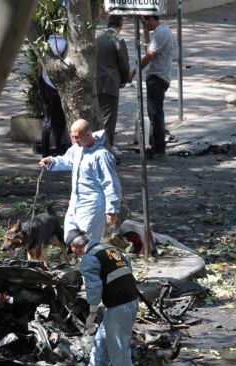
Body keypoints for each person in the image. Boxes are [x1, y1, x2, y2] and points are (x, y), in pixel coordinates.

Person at [66, 229, 140, 366]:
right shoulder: (109, 248)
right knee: (101, 345)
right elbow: (128, 268)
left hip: (118, 306)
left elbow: (94, 288)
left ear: (76, 247)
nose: (74, 254)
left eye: (73, 251)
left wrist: (92, 312)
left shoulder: (89, 258)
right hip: (129, 300)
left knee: (119, 350)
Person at [39, 119, 122, 242]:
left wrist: (112, 209)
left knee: (86, 243)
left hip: (92, 207)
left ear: (88, 134)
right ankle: (75, 260)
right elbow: (67, 160)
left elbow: (111, 184)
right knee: (69, 239)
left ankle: (89, 261)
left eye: (77, 138)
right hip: (74, 204)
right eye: (73, 137)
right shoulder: (77, 149)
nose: (75, 141)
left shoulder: (101, 155)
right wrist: (51, 162)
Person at [129, 15, 173, 159]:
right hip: (158, 76)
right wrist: (146, 33)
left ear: (152, 19)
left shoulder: (161, 32)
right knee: (155, 113)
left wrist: (135, 70)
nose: (144, 24)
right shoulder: (158, 32)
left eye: (145, 22)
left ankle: (159, 149)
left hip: (157, 77)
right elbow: (149, 47)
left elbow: (149, 55)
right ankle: (156, 146)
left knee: (155, 114)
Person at [96, 15, 130, 150]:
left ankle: (98, 146)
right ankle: (106, 149)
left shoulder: (97, 39)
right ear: (120, 25)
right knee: (108, 120)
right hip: (111, 84)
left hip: (96, 83)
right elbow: (124, 65)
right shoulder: (118, 40)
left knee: (98, 118)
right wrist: (123, 80)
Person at [40, 33, 69, 156]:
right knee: (58, 119)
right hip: (56, 85)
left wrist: (40, 81)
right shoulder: (64, 44)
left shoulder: (44, 43)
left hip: (45, 82)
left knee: (47, 118)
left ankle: (45, 149)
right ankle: (54, 148)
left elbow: (39, 66)